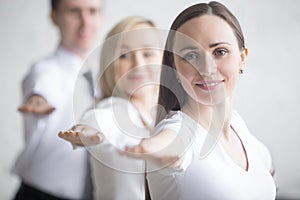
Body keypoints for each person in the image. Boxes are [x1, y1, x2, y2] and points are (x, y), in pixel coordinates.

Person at [122, 1, 277, 200]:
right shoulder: (177, 133)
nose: (207, 68)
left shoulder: (238, 127)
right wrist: (151, 148)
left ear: (242, 58)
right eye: (191, 55)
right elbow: (170, 143)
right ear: (175, 69)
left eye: (220, 52)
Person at [58, 16, 163, 200]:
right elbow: (98, 122)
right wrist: (85, 132)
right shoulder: (111, 111)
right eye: (124, 56)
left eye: (147, 53)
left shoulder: (168, 114)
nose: (138, 65)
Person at [13, 0, 104, 199]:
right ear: (54, 17)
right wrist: (38, 100)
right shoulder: (45, 70)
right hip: (41, 194)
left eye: (93, 11)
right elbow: (41, 89)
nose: (85, 22)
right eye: (74, 12)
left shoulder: (103, 75)